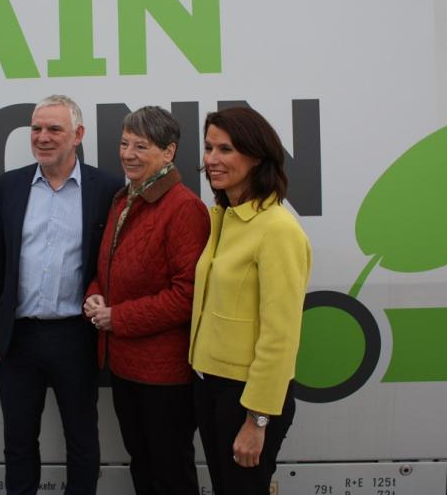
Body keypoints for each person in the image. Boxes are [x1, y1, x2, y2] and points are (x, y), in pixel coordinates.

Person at [0, 94, 123, 495]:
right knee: (19, 442)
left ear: (77, 134)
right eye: (36, 128)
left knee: (82, 439)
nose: (42, 137)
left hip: (76, 336)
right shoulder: (11, 184)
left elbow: (113, 262)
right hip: (17, 339)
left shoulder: (107, 187)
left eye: (54, 129)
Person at [83, 106, 209, 495]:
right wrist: (94, 296)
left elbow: (187, 295)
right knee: (142, 463)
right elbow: (105, 269)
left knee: (170, 470)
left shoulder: (185, 208)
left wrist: (117, 317)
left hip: (165, 374)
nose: (128, 154)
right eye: (124, 144)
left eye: (142, 145)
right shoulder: (123, 200)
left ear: (169, 152)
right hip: (123, 365)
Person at [189, 106, 312, 495]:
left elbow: (281, 335)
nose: (212, 160)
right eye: (209, 148)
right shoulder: (224, 218)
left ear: (256, 156)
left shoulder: (277, 229)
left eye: (225, 149)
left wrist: (257, 420)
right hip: (212, 386)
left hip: (246, 397)